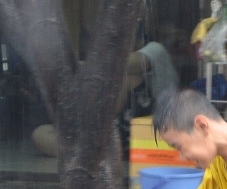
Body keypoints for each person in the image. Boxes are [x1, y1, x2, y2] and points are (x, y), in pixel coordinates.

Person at [30, 40, 179, 158]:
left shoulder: (156, 52)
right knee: (40, 133)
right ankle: (88, 154)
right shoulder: (110, 72)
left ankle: (89, 154)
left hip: (143, 136)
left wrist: (77, 66)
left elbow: (124, 65)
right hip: (103, 136)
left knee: (120, 73)